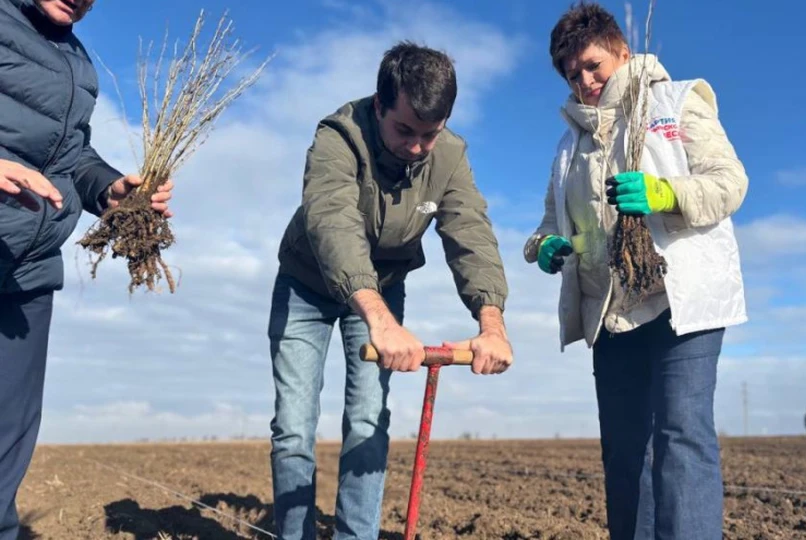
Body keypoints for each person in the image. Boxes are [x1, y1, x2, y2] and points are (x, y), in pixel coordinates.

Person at [269, 41, 513, 540]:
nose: (418, 146)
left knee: (367, 422)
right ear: (379, 105)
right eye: (405, 130)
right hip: (307, 284)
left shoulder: (448, 157)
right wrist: (381, 322)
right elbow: (333, 222)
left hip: (384, 288)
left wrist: (492, 324)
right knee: (294, 427)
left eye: (431, 133)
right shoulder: (339, 135)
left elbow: (470, 233)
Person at [524, 2, 748, 538]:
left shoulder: (675, 100)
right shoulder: (567, 148)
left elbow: (730, 182)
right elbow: (545, 227)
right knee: (624, 451)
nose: (585, 80)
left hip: (681, 302)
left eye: (593, 64)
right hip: (612, 311)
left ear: (622, 51)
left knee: (680, 435)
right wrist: (549, 246)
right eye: (572, 73)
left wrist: (665, 192)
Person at [0, 1, 174, 538]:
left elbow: (71, 154)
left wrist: (109, 188)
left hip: (28, 274)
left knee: (7, 440)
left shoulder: (78, 62)